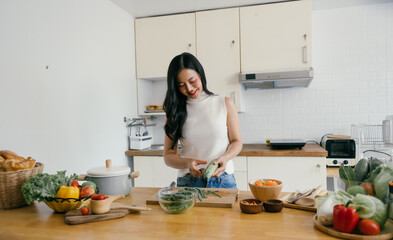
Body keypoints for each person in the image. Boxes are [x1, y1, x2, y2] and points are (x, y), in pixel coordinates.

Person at [163, 52, 242, 188]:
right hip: (189, 181)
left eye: (192, 81)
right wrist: (187, 163)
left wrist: (226, 158)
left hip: (222, 180)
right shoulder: (174, 112)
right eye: (181, 85)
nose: (189, 88)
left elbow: (237, 142)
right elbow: (168, 156)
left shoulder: (224, 103)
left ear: (200, 74)